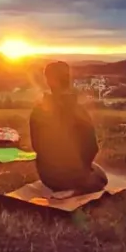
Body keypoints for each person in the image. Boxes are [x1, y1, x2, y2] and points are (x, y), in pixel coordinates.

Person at [29, 61, 108, 194]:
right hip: (76, 177)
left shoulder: (38, 111)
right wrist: (82, 169)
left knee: (94, 172)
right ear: (69, 80)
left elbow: (36, 146)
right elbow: (92, 148)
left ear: (48, 81)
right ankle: (80, 183)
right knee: (101, 177)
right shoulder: (79, 110)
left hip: (48, 178)